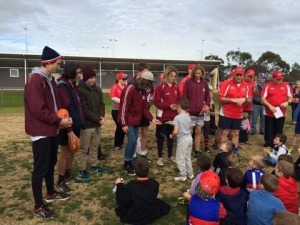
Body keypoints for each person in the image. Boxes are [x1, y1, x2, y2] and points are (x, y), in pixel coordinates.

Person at [24, 46, 71, 218]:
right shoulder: (36, 80)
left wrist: (64, 118)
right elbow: (38, 109)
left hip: (52, 129)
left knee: (50, 163)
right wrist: (58, 120)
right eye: (58, 63)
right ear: (49, 63)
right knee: (40, 168)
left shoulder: (50, 79)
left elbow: (56, 105)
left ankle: (50, 193)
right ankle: (38, 206)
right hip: (41, 131)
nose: (59, 66)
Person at [119, 71, 161, 175]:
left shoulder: (142, 91)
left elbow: (144, 108)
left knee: (133, 141)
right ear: (143, 80)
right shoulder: (130, 88)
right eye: (148, 82)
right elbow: (124, 106)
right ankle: (127, 163)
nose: (149, 85)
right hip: (128, 120)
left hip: (136, 120)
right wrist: (123, 123)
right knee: (132, 140)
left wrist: (151, 119)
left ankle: (131, 161)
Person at [114, 157, 170, 225]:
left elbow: (121, 200)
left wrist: (119, 185)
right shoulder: (154, 183)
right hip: (150, 213)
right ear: (149, 170)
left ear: (134, 171)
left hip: (134, 214)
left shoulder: (130, 186)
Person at [56, 62, 84, 192]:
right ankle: (60, 179)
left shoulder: (72, 85)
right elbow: (63, 110)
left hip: (75, 125)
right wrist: (69, 130)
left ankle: (67, 175)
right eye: (78, 72)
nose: (80, 75)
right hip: (66, 128)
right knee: (65, 153)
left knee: (72, 150)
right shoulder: (62, 87)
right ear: (71, 72)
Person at [77, 65, 107, 182]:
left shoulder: (97, 89)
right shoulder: (80, 90)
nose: (93, 80)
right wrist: (97, 119)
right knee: (84, 148)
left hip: (97, 124)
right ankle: (82, 169)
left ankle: (94, 166)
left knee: (94, 147)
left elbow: (102, 104)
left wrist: (102, 116)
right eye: (90, 78)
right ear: (85, 78)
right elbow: (84, 110)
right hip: (87, 125)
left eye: (94, 77)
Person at [218, 66, 250, 154]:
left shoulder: (246, 86)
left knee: (236, 133)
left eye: (241, 75)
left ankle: (235, 152)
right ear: (234, 75)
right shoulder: (226, 83)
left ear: (243, 75)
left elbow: (249, 99)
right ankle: (223, 151)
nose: (239, 77)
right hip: (226, 112)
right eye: (237, 75)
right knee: (225, 132)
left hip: (238, 113)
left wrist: (244, 99)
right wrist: (233, 100)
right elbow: (220, 98)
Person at [154, 66, 180, 166]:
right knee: (161, 137)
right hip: (162, 117)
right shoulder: (160, 87)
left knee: (171, 136)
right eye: (171, 76)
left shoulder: (176, 87)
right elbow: (157, 102)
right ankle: (160, 157)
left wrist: (177, 106)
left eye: (174, 76)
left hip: (173, 117)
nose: (173, 78)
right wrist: (169, 106)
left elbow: (179, 99)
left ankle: (170, 155)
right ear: (167, 75)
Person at [183, 64, 211, 157]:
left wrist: (207, 105)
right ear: (193, 72)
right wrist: (186, 109)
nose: (198, 75)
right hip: (190, 112)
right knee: (189, 131)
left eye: (199, 73)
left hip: (200, 112)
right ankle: (187, 150)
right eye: (196, 73)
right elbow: (185, 96)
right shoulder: (188, 82)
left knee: (198, 131)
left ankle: (197, 150)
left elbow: (208, 97)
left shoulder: (204, 83)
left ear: (202, 73)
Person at [260, 70, 293, 148]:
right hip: (269, 112)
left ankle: (277, 144)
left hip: (281, 112)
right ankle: (268, 143)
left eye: (281, 79)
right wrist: (269, 106)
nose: (280, 80)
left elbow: (291, 97)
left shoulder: (286, 85)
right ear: (273, 78)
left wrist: (287, 103)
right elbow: (262, 98)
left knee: (279, 128)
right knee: (269, 128)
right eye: (278, 79)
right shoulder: (267, 86)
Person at [170, 98, 193, 181]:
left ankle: (183, 175)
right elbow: (191, 129)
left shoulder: (177, 117)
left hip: (182, 140)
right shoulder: (188, 116)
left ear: (179, 107)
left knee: (180, 158)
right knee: (187, 157)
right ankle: (190, 173)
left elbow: (175, 131)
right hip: (189, 138)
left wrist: (171, 135)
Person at [110, 72, 127, 150]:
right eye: (123, 79)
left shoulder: (126, 87)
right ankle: (117, 144)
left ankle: (120, 143)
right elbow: (113, 97)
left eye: (125, 79)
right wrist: (123, 101)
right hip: (116, 110)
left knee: (123, 126)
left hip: (124, 110)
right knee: (119, 126)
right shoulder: (114, 87)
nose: (125, 80)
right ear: (119, 79)